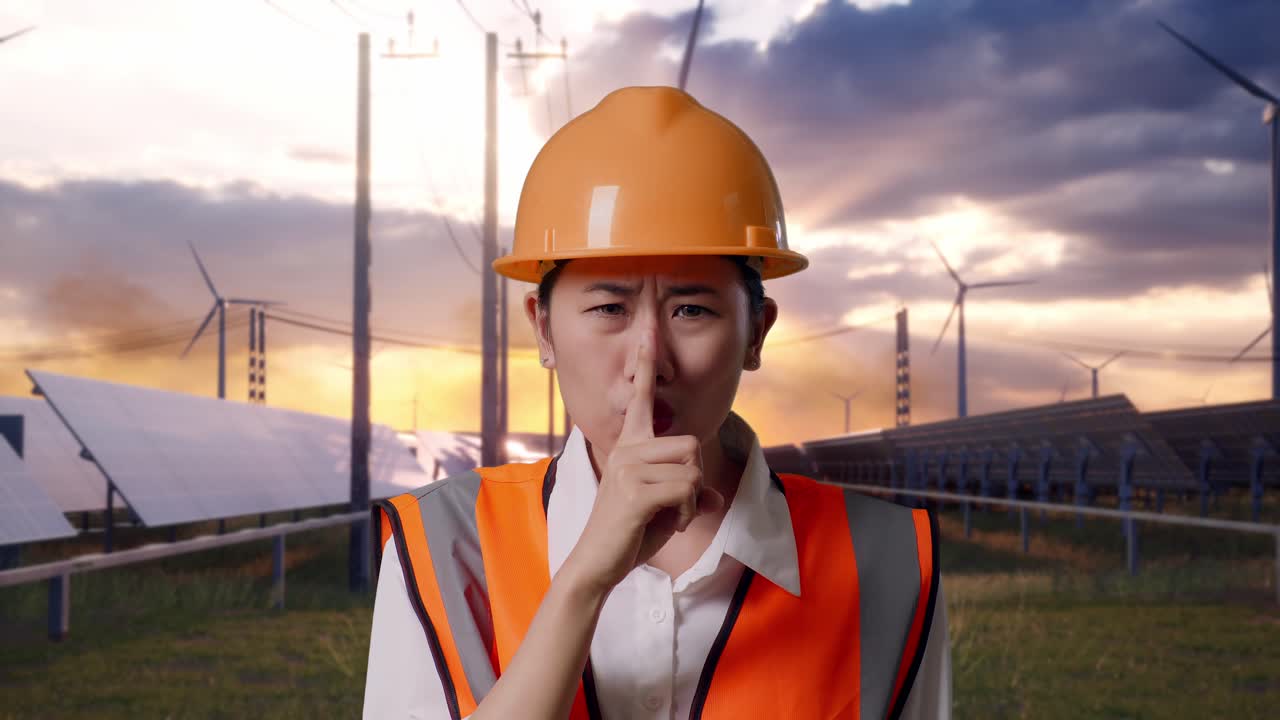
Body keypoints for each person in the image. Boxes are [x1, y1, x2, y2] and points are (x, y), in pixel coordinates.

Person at [363, 85, 950, 720]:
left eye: (691, 310)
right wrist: (584, 580)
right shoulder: (443, 544)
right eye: (608, 308)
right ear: (544, 330)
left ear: (756, 333)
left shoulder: (890, 558)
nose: (650, 361)